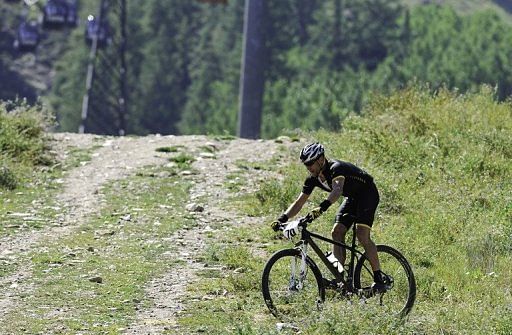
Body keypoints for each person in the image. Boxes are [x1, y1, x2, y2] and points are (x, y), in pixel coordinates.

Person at [271, 142, 387, 291]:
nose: (308, 167)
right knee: (337, 231)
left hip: (367, 194)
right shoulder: (312, 178)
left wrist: (321, 208)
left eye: (311, 163)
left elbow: (337, 190)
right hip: (352, 198)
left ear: (320, 159)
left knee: (362, 235)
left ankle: (379, 280)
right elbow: (299, 202)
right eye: (306, 164)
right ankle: (340, 279)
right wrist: (282, 218)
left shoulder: (335, 168)